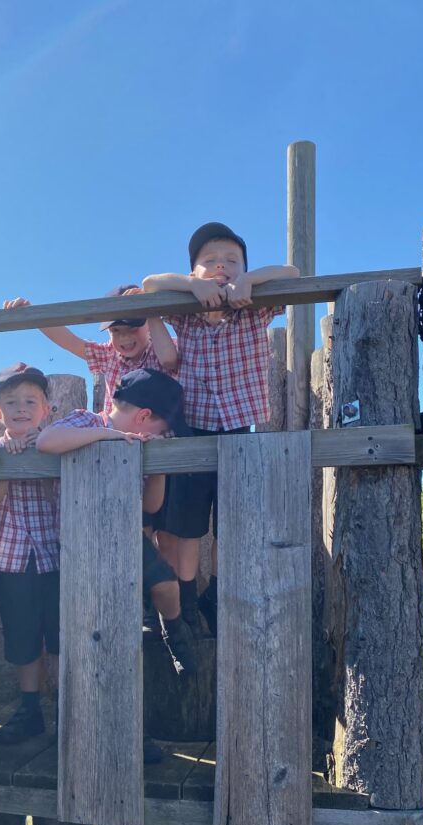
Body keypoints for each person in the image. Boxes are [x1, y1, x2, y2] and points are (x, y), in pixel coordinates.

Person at [142, 222, 300, 636]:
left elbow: (293, 274)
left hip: (237, 429)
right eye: (209, 261)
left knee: (234, 520)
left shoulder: (254, 306)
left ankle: (220, 594)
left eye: (232, 260)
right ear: (193, 271)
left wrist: (251, 280)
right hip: (192, 428)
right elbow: (149, 283)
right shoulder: (186, 313)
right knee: (190, 523)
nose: (221, 267)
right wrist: (193, 288)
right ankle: (190, 601)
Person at [36, 367, 197, 766]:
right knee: (96, 651)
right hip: (79, 550)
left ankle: (175, 633)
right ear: (145, 416)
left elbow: (151, 507)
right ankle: (99, 737)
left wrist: (155, 463)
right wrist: (109, 437)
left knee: (160, 594)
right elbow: (46, 440)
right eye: (162, 424)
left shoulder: (141, 443)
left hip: (124, 540)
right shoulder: (87, 422)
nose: (162, 432)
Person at [0, 363, 60, 744]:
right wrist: (8, 461)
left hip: (56, 555)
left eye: (30, 401)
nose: (21, 408)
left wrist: (38, 452)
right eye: (11, 402)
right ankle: (29, 708)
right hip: (13, 558)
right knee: (22, 638)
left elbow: (58, 493)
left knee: (63, 635)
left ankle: (69, 707)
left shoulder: (57, 440)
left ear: (46, 408)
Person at [2, 285, 177, 416]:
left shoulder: (163, 348)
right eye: (116, 331)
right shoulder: (109, 354)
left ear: (148, 324)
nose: (124, 338)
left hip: (157, 434)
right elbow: (69, 341)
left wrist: (152, 305)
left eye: (132, 328)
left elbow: (171, 358)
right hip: (118, 438)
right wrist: (33, 314)